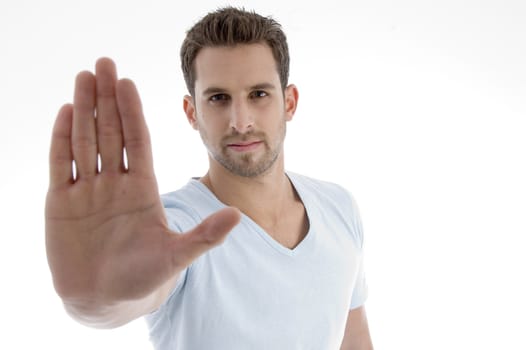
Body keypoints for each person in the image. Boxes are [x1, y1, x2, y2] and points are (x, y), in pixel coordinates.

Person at [45, 6, 373, 350]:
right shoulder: (177, 229)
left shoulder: (339, 208)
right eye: (218, 98)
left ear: (289, 102)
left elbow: (355, 342)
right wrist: (95, 299)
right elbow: (123, 298)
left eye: (258, 94)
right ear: (192, 113)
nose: (240, 120)